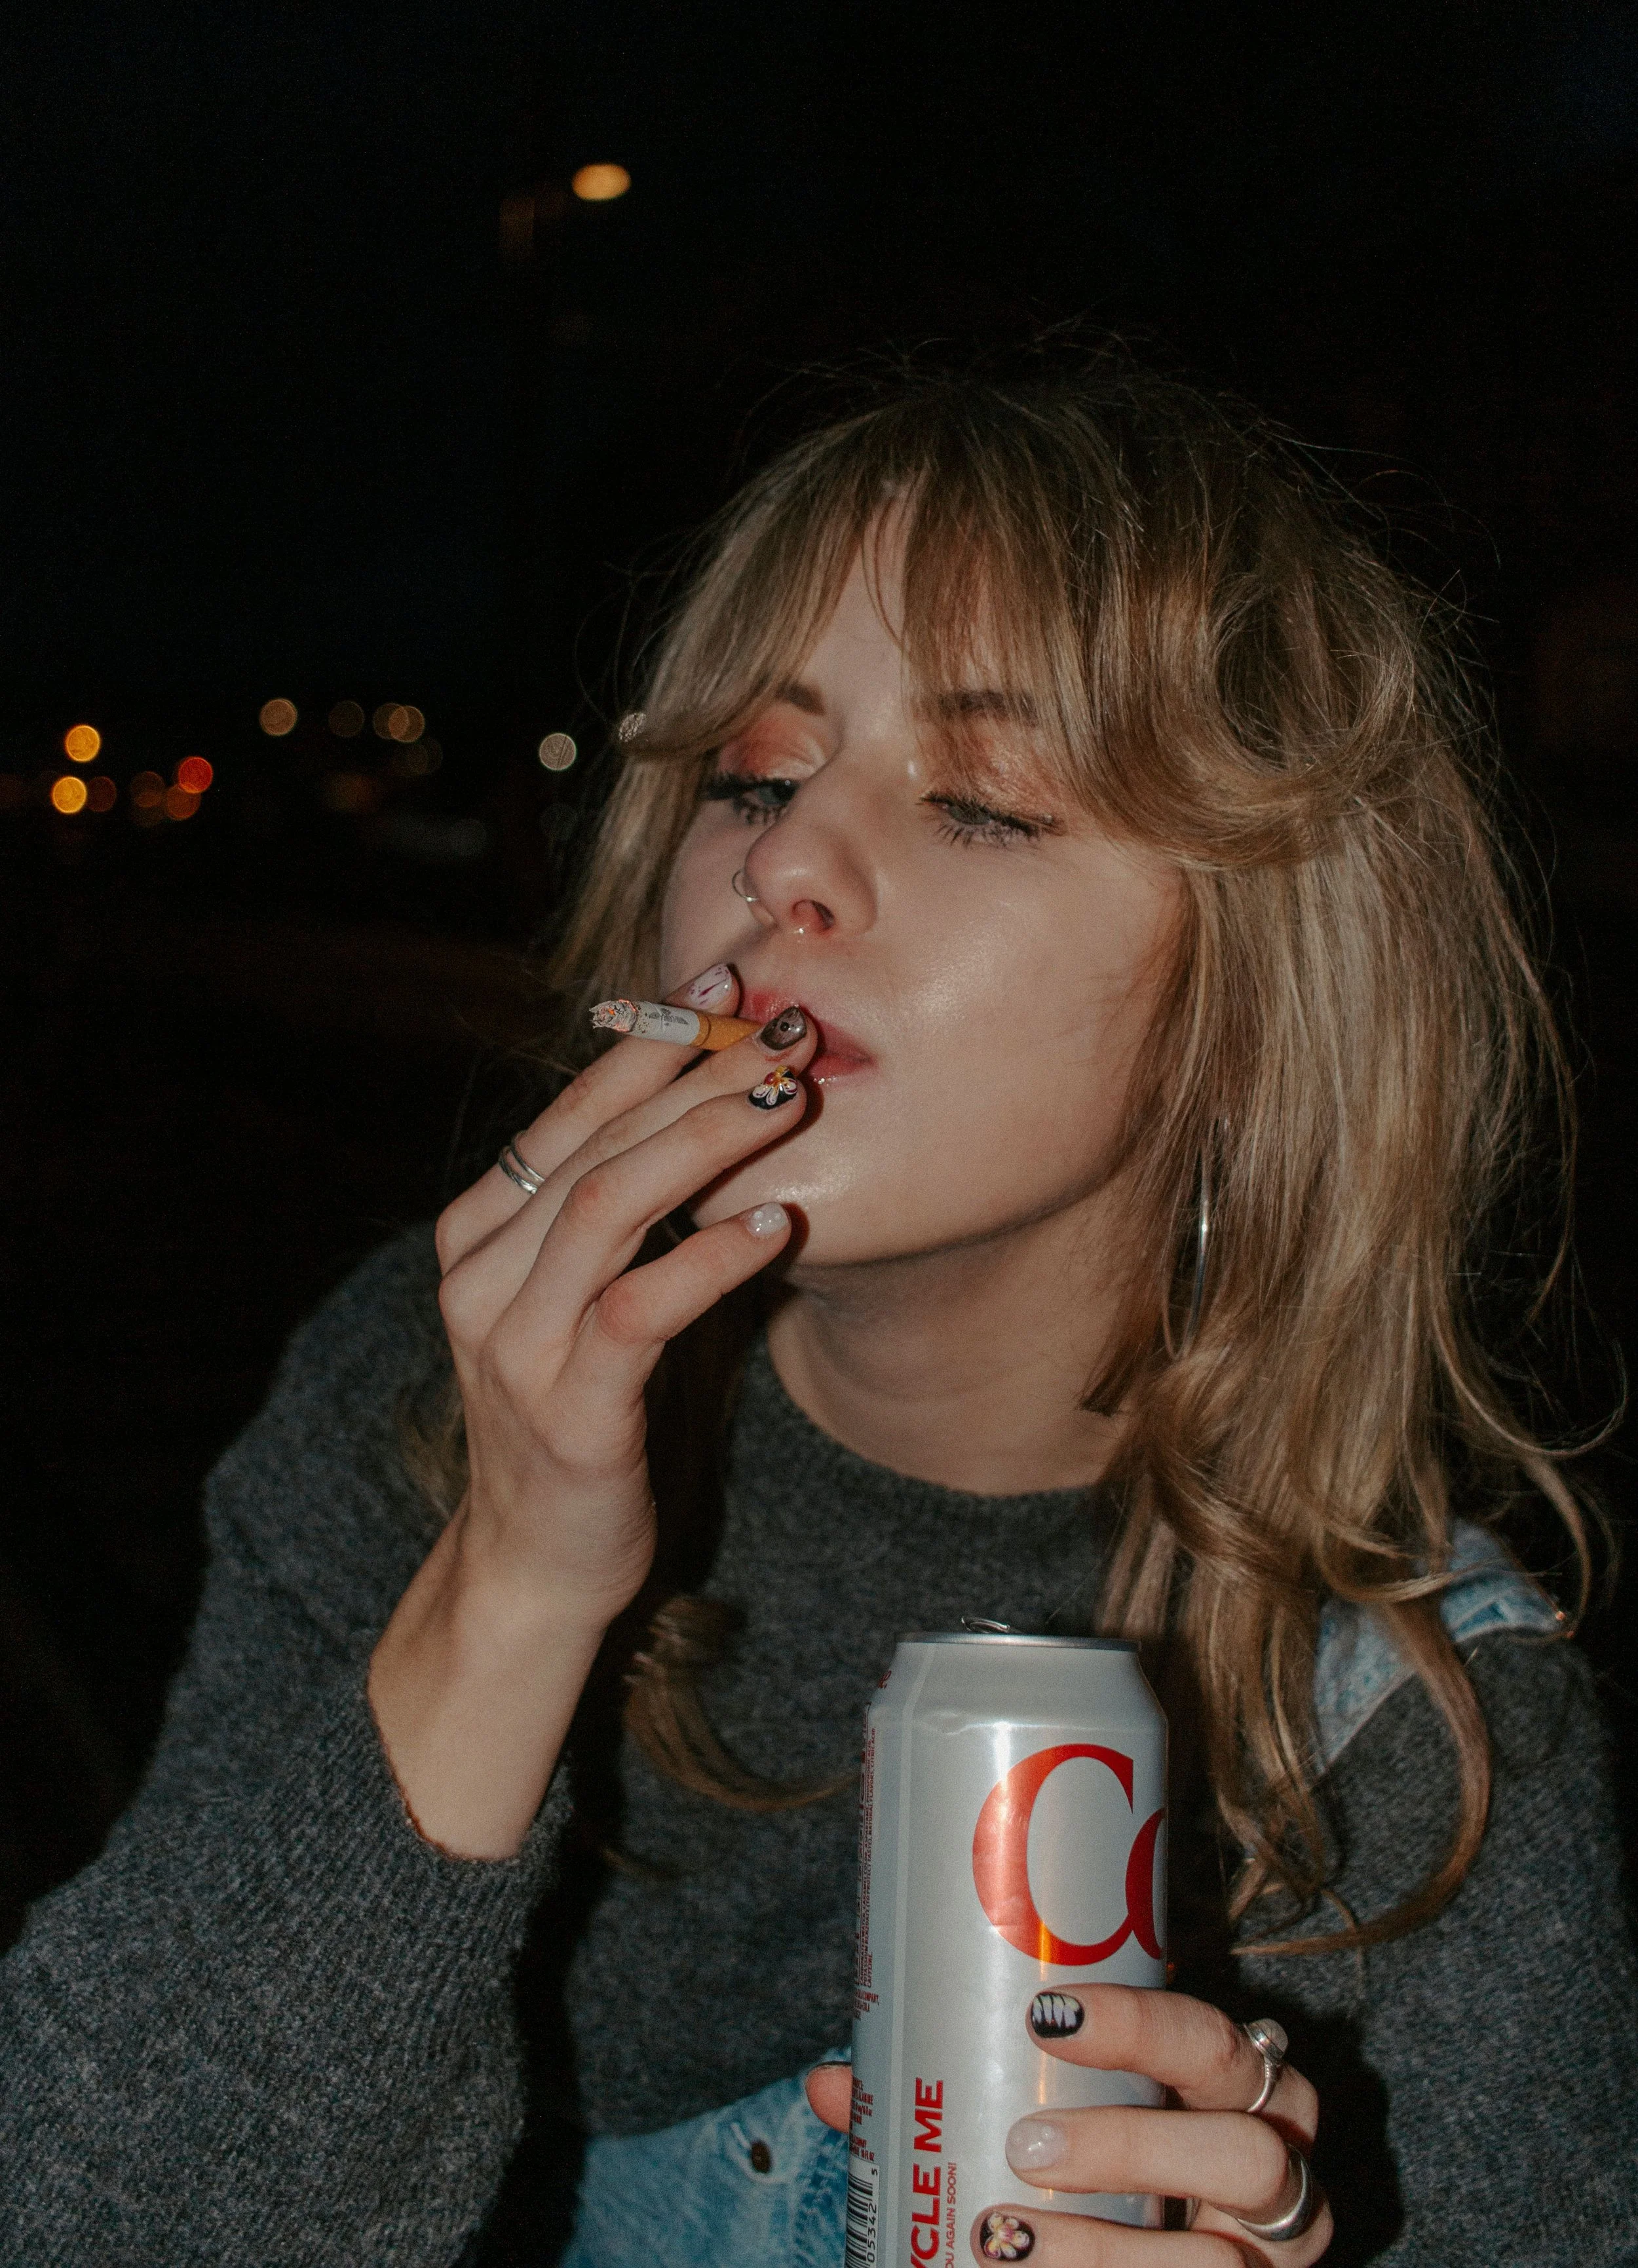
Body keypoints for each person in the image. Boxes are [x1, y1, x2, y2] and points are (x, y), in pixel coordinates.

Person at [3, 358, 1635, 2268]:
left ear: (1255, 1005)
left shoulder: (1409, 1727)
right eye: (756, 778)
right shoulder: (416, 1395)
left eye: (980, 802)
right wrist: (512, 1576)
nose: (781, 863)